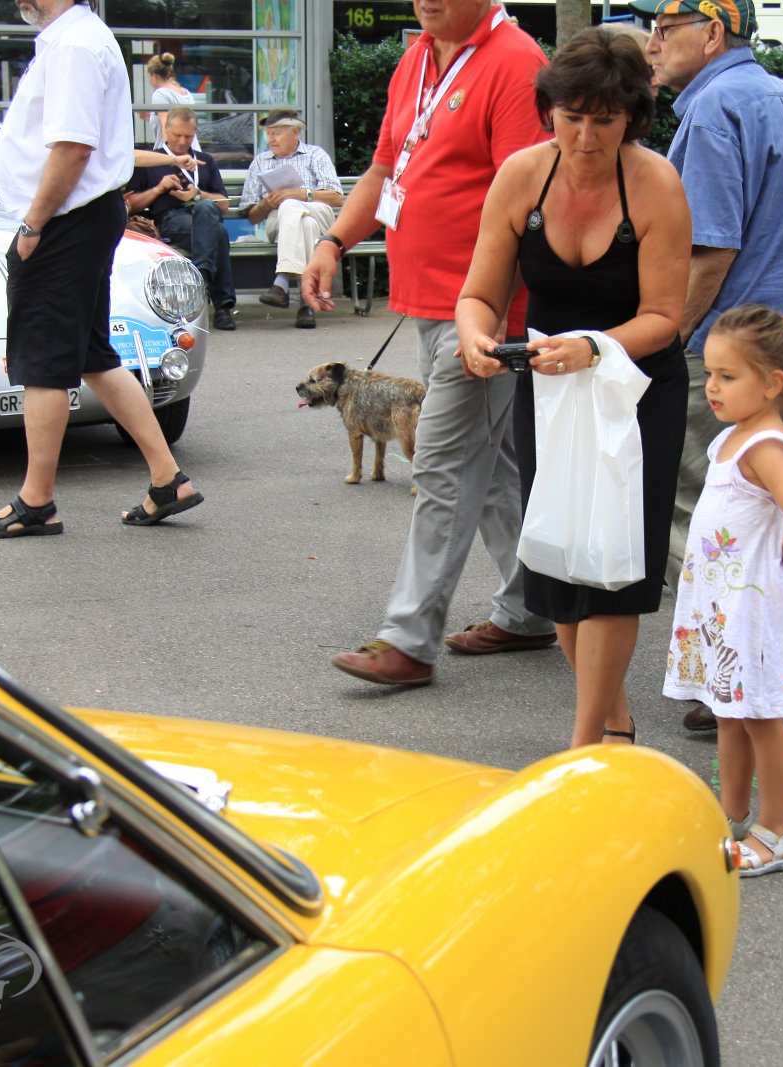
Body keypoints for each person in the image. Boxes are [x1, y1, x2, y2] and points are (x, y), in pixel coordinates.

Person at [304, 0, 555, 687]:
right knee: (492, 469)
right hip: (432, 306)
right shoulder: (418, 57)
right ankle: (533, 609)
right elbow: (386, 170)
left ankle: (409, 640)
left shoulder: (515, 63)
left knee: (442, 465)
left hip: (481, 315)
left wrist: (488, 318)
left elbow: (528, 201)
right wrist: (333, 241)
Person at [456, 28, 690, 746]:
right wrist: (475, 336)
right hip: (551, 392)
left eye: (606, 120)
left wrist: (594, 346)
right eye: (572, 118)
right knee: (557, 567)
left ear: (634, 118)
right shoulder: (522, 177)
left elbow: (665, 316)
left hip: (635, 392)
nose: (586, 138)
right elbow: (480, 295)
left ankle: (588, 743)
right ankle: (615, 722)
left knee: (615, 568)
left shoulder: (656, 184)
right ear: (549, 112)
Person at [632, 0, 783, 736]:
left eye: (666, 29)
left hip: (725, 342)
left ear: (713, 33)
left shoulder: (712, 107)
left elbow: (712, 244)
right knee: (760, 501)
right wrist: (775, 238)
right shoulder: (778, 94)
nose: (653, 43)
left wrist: (671, 335)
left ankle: (728, 669)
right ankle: (767, 653)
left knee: (704, 507)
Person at [0, 0, 203, 539]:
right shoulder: (81, 36)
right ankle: (168, 479)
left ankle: (37, 501)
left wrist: (33, 223)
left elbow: (72, 148)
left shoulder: (73, 44)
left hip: (65, 215)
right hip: (86, 212)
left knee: (44, 360)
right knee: (93, 354)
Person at [665, 305, 783, 876]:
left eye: (727, 377)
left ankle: (777, 833)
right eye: (710, 374)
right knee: (728, 710)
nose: (712, 386)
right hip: (721, 605)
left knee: (760, 717)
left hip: (752, 608)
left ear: (773, 384)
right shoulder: (732, 438)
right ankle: (730, 814)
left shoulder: (767, 448)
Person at [125, 105, 237, 331]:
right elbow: (131, 204)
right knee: (218, 233)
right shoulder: (152, 160)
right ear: (166, 130)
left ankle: (202, 277)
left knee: (207, 209)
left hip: (204, 218)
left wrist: (197, 194)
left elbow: (223, 205)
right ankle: (222, 307)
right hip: (171, 219)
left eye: (188, 136)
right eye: (177, 135)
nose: (182, 141)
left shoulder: (205, 160)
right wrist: (159, 188)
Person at [238, 110, 344, 329]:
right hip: (279, 222)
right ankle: (306, 303)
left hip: (318, 212)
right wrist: (266, 204)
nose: (271, 139)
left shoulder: (315, 155)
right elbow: (252, 217)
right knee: (304, 224)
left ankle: (282, 282)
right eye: (268, 134)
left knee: (292, 206)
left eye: (276, 133)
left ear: (295, 132)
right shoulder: (260, 162)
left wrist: (300, 194)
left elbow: (336, 197)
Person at [142, 52, 196, 149]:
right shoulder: (186, 93)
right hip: (191, 150)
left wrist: (167, 154)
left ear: (153, 75)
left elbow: (166, 127)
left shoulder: (160, 94)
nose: (149, 81)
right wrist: (150, 117)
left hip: (175, 152)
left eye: (148, 77)